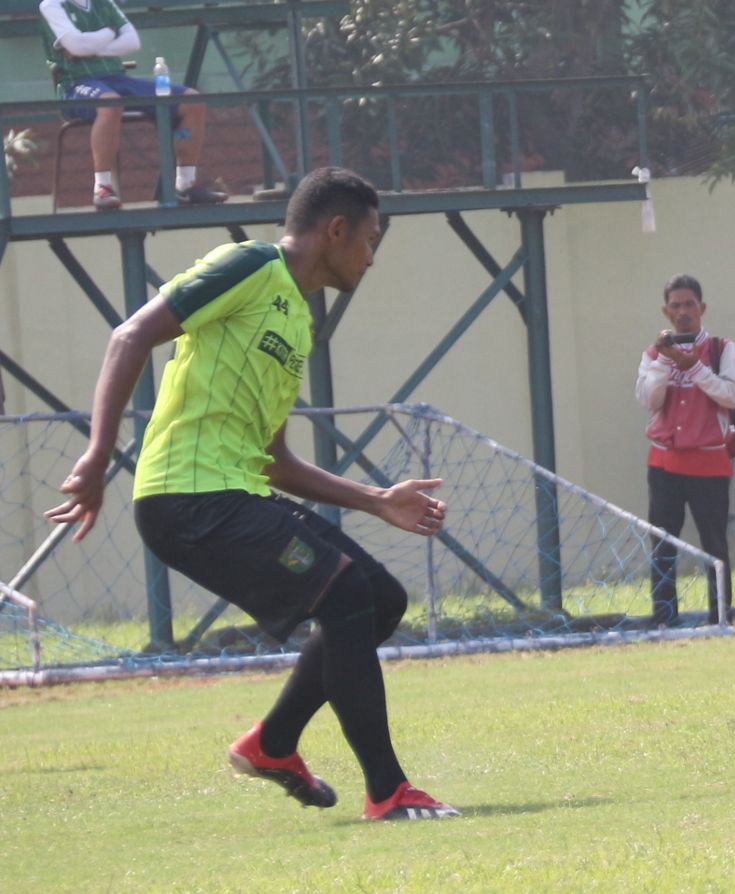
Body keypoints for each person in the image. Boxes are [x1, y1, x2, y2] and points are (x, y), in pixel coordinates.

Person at [45, 167, 457, 821]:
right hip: (187, 500)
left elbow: (273, 458)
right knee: (347, 592)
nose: (372, 258)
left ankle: (272, 744)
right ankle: (389, 791)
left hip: (233, 497)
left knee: (379, 600)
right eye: (370, 240)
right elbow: (129, 336)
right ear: (336, 230)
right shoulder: (248, 266)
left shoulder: (297, 317)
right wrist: (97, 456)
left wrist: (375, 499)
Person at [38, 0, 229, 211]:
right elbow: (76, 46)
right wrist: (110, 33)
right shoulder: (51, 5)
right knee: (110, 103)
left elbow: (132, 42)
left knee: (192, 101)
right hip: (76, 84)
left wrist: (92, 48)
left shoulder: (104, 3)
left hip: (117, 78)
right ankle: (103, 187)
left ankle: (185, 185)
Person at [635, 274, 735, 625]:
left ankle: (720, 617)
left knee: (714, 544)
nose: (683, 313)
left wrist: (695, 367)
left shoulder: (721, 349)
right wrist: (666, 362)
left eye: (689, 305)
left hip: (709, 460)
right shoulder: (653, 354)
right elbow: (649, 401)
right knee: (663, 543)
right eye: (676, 306)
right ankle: (664, 617)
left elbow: (732, 396)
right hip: (664, 461)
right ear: (666, 312)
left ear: (702, 308)